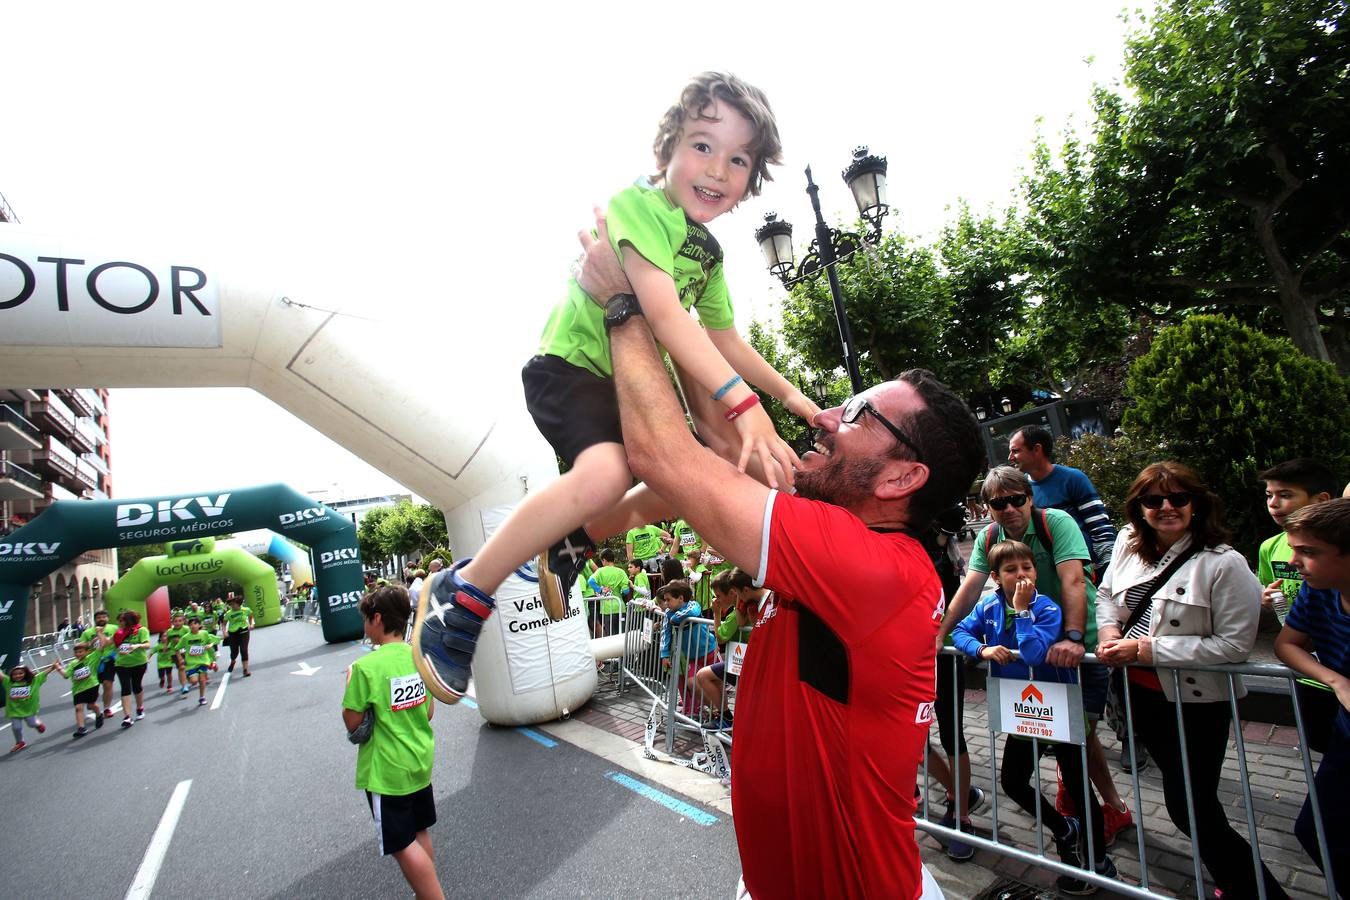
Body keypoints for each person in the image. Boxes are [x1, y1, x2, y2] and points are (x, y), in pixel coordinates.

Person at [573, 219, 983, 899]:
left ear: (899, 480)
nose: (823, 415)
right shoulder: (845, 530)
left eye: (854, 416)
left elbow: (666, 457)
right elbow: (721, 434)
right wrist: (674, 301)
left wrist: (624, 304)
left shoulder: (871, 568)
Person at [412, 71, 819, 706]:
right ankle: (463, 593)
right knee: (603, 475)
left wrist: (793, 402)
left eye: (738, 159)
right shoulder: (638, 206)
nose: (717, 168)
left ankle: (580, 534)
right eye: (703, 146)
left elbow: (726, 341)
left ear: (751, 179)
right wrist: (745, 407)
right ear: (669, 150)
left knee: (698, 470)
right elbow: (662, 316)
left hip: (626, 383)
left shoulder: (706, 253)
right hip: (571, 367)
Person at [1095, 461, 1289, 900]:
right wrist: (1109, 633)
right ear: (1138, 507)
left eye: (1178, 498)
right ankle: (1232, 880)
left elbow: (1233, 647)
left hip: (1197, 704)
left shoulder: (1226, 564)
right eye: (1153, 500)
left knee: (1191, 809)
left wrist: (1143, 650)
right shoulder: (1127, 542)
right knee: (1189, 804)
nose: (1166, 507)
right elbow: (1106, 595)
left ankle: (1259, 889)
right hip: (1141, 697)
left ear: (1197, 504)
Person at [951, 540, 1116, 894]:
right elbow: (959, 632)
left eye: (1027, 568)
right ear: (996, 577)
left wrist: (1022, 611)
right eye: (1011, 570)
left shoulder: (1047, 608)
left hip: (1057, 708)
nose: (1021, 574)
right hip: (1020, 711)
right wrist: (982, 648)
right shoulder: (990, 607)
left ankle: (1098, 861)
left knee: (1076, 784)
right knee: (1012, 781)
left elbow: (1033, 651)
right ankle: (1063, 829)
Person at [342, 586, 441, 900]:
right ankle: (424, 891)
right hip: (419, 760)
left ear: (377, 618)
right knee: (419, 830)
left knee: (400, 843)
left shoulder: (364, 668)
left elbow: (352, 721)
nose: (365, 627)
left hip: (387, 771)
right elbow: (428, 711)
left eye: (366, 620)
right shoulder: (418, 655)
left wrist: (349, 683)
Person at [1274, 498, 1350, 893]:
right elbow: (1287, 645)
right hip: (1346, 738)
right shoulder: (1318, 591)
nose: (1295, 561)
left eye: (1308, 552)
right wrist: (1337, 681)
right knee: (1315, 829)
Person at [1257, 458, 1340, 752]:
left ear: (1322, 500)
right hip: (1308, 674)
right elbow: (1275, 614)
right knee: (1324, 746)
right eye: (1269, 495)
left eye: (1286, 494)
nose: (1274, 503)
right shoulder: (1270, 547)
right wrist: (1265, 601)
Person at [1008, 425, 1117, 572]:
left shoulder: (1073, 478)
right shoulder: (1021, 487)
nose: (1010, 457)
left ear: (1037, 449)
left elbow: (1100, 527)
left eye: (1016, 451)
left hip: (1085, 571)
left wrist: (1106, 570)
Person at [695, 567, 761, 730]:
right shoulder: (738, 611)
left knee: (703, 676)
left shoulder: (734, 615)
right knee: (713, 678)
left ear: (733, 593)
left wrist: (716, 614)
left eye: (718, 596)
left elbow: (721, 637)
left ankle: (726, 718)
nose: (716, 599)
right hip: (739, 661)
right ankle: (724, 716)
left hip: (742, 663)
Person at [656, 580, 717, 712]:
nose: (666, 604)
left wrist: (675, 618)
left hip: (709, 650)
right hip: (691, 656)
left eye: (668, 600)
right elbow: (665, 634)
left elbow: (693, 612)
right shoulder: (668, 613)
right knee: (692, 684)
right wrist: (664, 654)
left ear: (681, 598)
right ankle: (713, 709)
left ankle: (720, 711)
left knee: (716, 684)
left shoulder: (693, 605)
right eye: (665, 600)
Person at [51, 641, 106, 738]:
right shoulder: (73, 664)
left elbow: (102, 647)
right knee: (78, 708)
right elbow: (66, 675)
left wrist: (99, 633)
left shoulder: (92, 657)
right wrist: (58, 667)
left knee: (91, 705)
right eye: (76, 652)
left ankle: (98, 714)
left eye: (81, 652)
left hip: (91, 686)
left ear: (87, 652)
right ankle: (81, 728)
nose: (78, 654)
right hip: (78, 689)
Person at [112, 609, 152, 728]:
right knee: (125, 688)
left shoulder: (141, 630)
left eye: (121, 621)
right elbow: (107, 643)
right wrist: (99, 634)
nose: (119, 623)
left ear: (128, 621)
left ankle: (140, 708)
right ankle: (127, 717)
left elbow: (148, 644)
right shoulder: (118, 633)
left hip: (138, 663)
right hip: (122, 664)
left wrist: (137, 645)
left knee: (136, 686)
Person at [4, 663, 52, 752]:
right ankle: (20, 742)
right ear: (11, 676)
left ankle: (38, 724)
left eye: (20, 673)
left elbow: (44, 673)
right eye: (15, 674)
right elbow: (1, 676)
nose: (17, 676)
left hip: (29, 710)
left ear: (26, 673)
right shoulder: (8, 683)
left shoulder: (34, 681)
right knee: (16, 727)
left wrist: (53, 667)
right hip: (15, 711)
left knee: (31, 724)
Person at [80, 609, 118, 714]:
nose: (101, 619)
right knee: (93, 686)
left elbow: (120, 640)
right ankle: (91, 702)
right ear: (95, 620)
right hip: (93, 662)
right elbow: (81, 646)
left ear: (108, 618)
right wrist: (92, 642)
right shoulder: (87, 632)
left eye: (103, 617)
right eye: (98, 617)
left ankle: (106, 708)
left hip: (109, 660)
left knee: (107, 684)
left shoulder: (114, 628)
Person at [586, 549, 630, 638]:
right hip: (620, 606)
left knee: (610, 636)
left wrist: (600, 590)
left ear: (604, 560)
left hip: (606, 609)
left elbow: (590, 581)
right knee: (621, 635)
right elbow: (626, 591)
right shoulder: (621, 572)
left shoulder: (600, 571)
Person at [177, 616, 220, 706]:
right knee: (194, 681)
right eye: (191, 624)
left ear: (199, 625)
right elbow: (177, 648)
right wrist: (180, 658)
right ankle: (188, 677)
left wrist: (210, 646)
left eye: (195, 624)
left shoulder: (204, 633)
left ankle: (202, 697)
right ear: (188, 626)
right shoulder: (186, 637)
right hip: (191, 663)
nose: (193, 626)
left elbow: (213, 641)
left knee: (202, 679)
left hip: (203, 661)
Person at [223, 596, 255, 677]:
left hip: (244, 631)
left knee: (244, 650)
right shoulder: (228, 613)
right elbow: (224, 624)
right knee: (234, 652)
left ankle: (245, 669)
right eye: (231, 605)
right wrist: (224, 632)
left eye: (234, 604)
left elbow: (251, 616)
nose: (232, 606)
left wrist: (251, 624)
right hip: (233, 633)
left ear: (239, 604)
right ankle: (233, 661)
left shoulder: (246, 610)